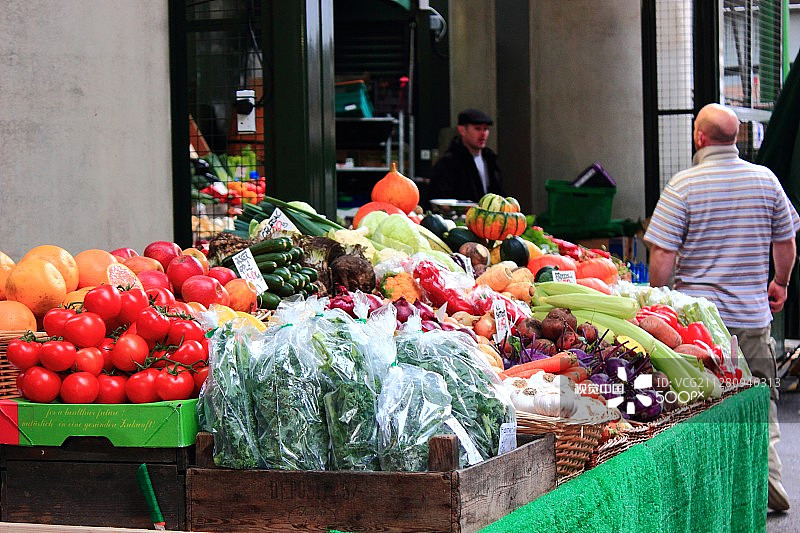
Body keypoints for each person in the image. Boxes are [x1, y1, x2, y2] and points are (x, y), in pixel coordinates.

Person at [644, 103, 799, 513]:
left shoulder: (684, 185)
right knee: (759, 397)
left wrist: (662, 307)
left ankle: (711, 496)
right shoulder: (766, 181)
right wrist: (779, 282)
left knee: (702, 403)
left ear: (699, 137)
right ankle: (769, 477)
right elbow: (785, 243)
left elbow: (662, 256)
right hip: (751, 320)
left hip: (700, 327)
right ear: (736, 137)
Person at [427, 108, 503, 202]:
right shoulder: (449, 163)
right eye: (477, 128)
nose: (483, 134)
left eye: (486, 129)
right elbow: (440, 196)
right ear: (462, 130)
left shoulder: (491, 159)